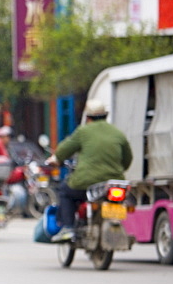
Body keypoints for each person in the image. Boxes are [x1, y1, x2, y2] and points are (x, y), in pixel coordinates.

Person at [46, 99, 132, 242]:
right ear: (105, 116)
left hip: (86, 182)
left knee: (64, 191)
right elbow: (127, 160)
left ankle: (68, 227)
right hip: (114, 183)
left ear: (88, 118)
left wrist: (56, 159)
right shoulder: (117, 133)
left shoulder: (83, 131)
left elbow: (63, 150)